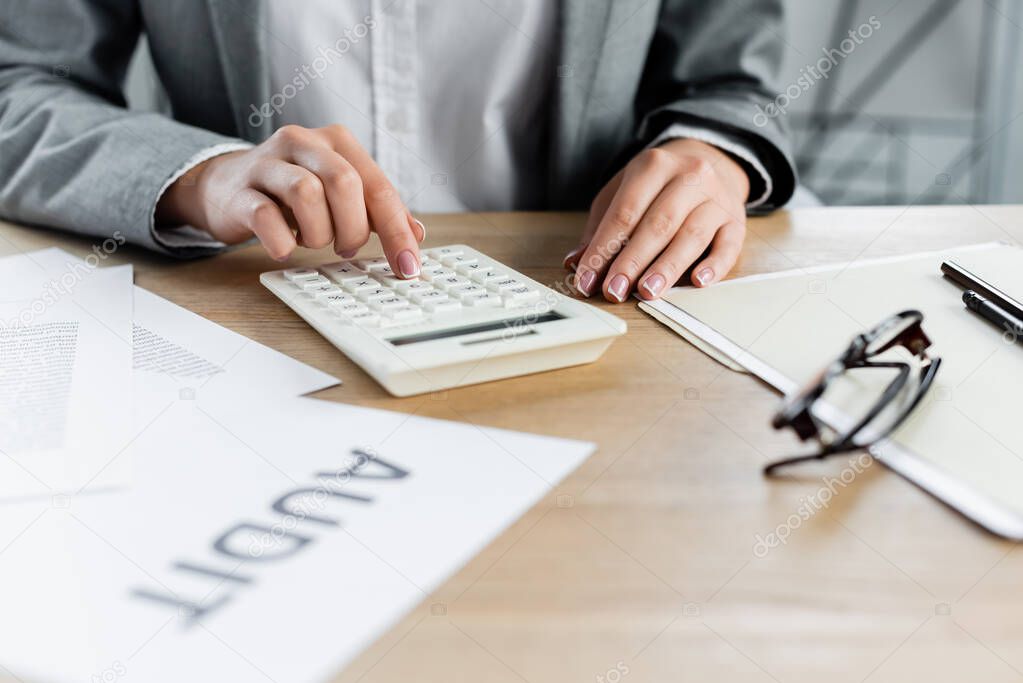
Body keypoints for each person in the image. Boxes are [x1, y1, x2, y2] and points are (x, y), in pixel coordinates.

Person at [0, 0, 795, 302]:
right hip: (253, 306)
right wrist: (200, 176)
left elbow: (728, 81)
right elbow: (20, 88)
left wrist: (713, 151)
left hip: (590, 312)